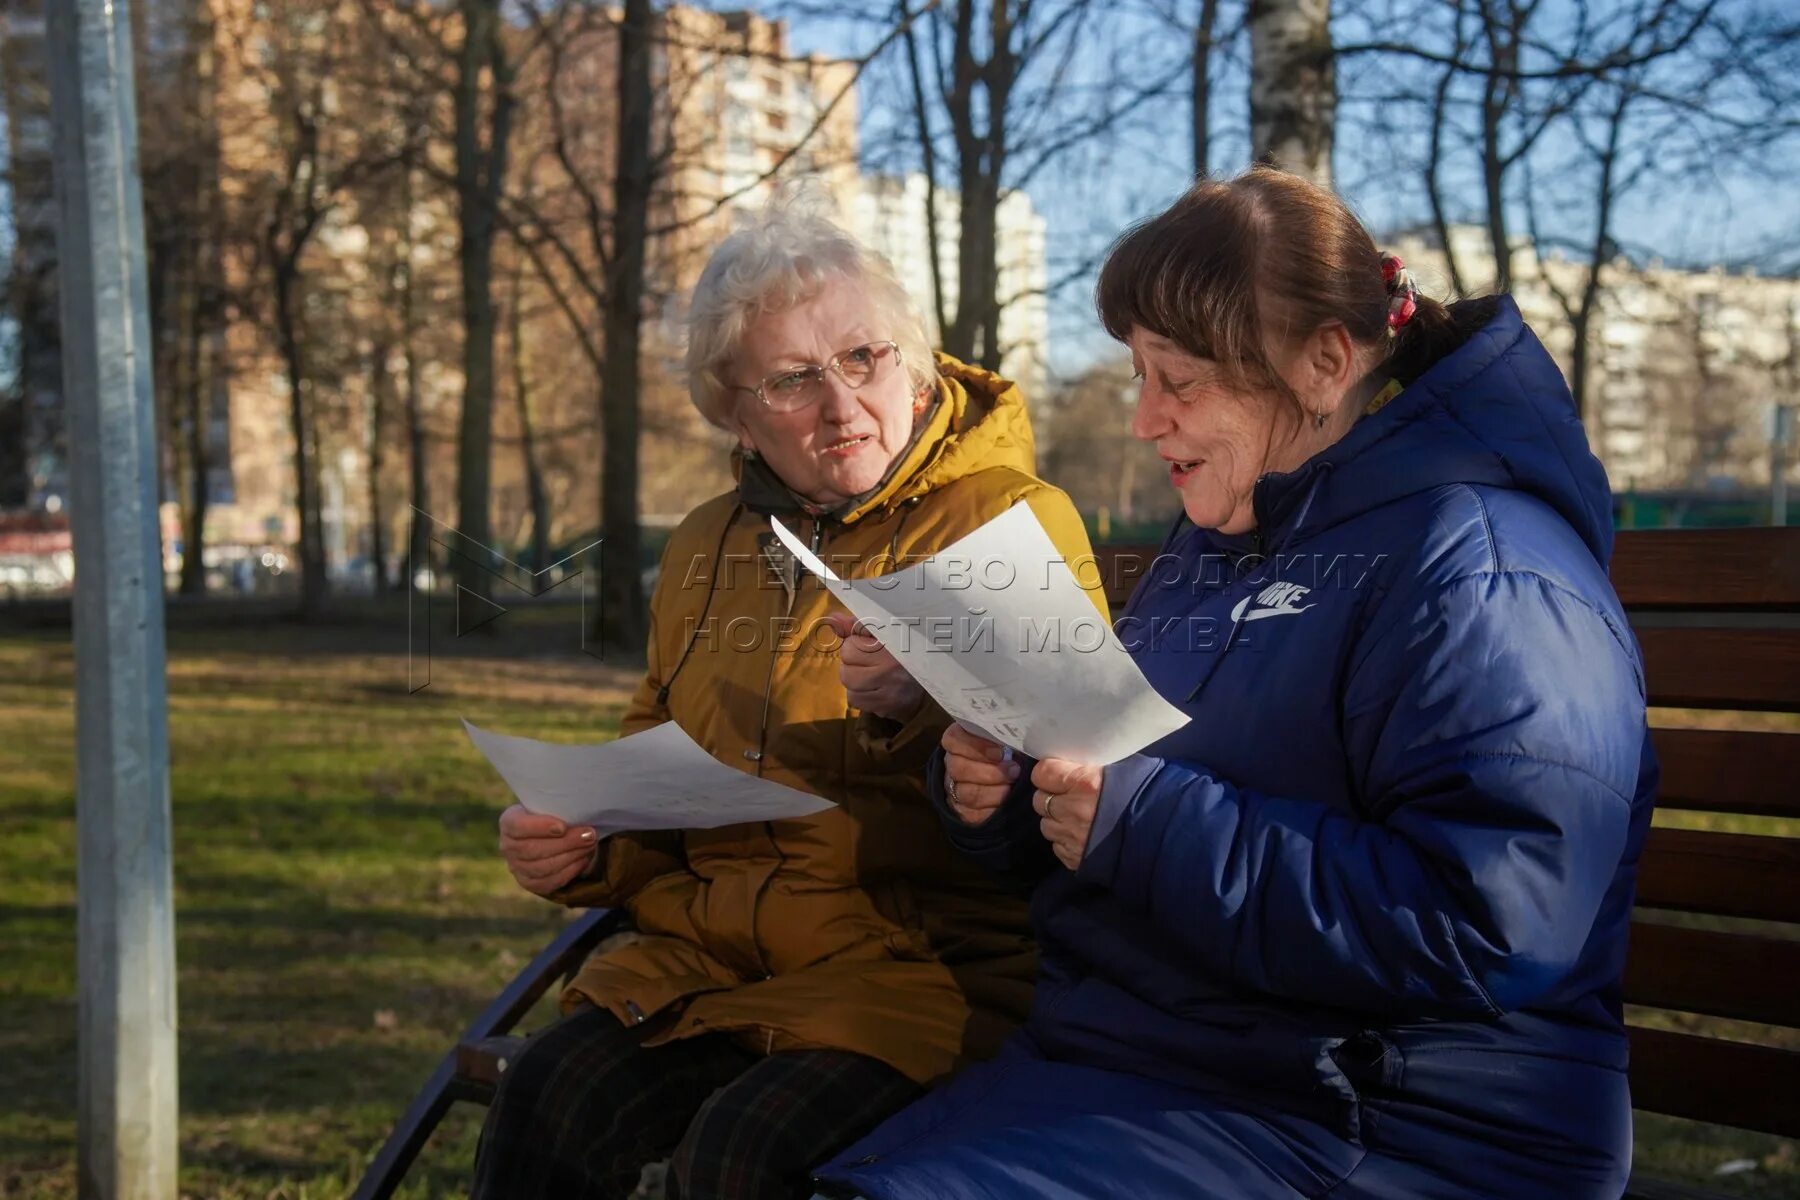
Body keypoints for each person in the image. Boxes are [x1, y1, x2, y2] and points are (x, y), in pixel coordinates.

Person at [816, 167, 1657, 1200]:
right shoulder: (1225, 537)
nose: (1144, 420)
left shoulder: (1484, 567)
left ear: (1324, 362)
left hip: (1395, 1123)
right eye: (1139, 376)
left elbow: (1493, 922)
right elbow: (1137, 785)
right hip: (1174, 1071)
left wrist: (1142, 821)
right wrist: (1009, 800)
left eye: (1180, 380)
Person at [472, 201, 1102, 1200]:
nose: (843, 405)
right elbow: (655, 763)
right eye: (794, 380)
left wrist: (920, 706)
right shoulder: (703, 544)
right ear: (734, 408)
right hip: (710, 963)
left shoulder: (1005, 522)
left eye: (865, 357)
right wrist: (583, 842)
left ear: (919, 361)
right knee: (554, 1089)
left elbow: (1068, 772)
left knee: (741, 1151)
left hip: (924, 975)